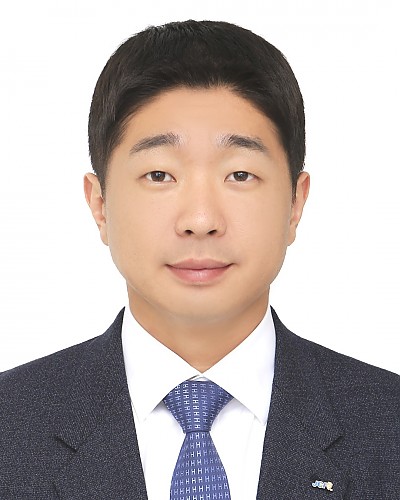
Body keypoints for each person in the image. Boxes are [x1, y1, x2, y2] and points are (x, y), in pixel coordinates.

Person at [0, 19, 398, 500]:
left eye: (240, 175)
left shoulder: (388, 426)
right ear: (100, 204)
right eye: (159, 175)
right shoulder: (11, 424)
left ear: (295, 203)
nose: (201, 219)